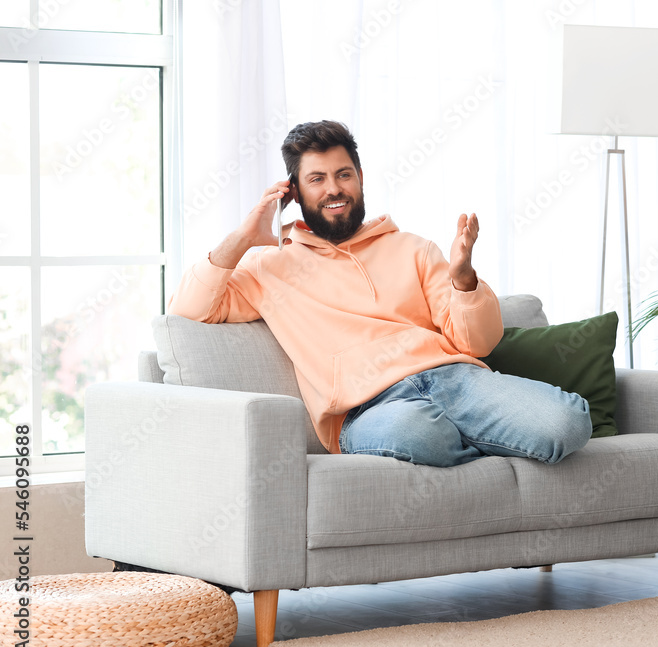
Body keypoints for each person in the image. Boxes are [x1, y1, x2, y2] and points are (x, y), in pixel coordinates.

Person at [168, 120, 592, 467]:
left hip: (454, 380)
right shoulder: (266, 266)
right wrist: (244, 236)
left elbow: (477, 343)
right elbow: (186, 310)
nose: (333, 188)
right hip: (369, 410)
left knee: (568, 422)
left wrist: (464, 280)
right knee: (420, 433)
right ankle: (488, 443)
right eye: (317, 179)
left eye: (343, 174)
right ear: (294, 193)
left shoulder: (414, 248)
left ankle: (472, 445)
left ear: (360, 178)